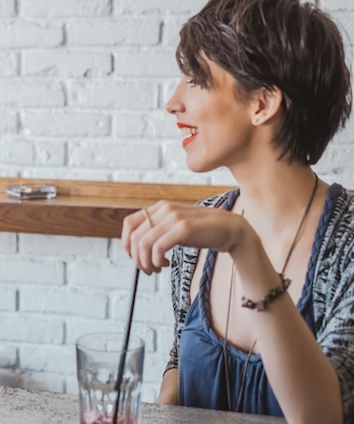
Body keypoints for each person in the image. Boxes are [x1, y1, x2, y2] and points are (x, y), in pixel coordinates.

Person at [121, 0, 353, 422]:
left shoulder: (347, 244)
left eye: (195, 79)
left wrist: (244, 245)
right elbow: (179, 360)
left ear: (262, 103)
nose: (173, 102)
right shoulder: (199, 228)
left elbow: (323, 415)